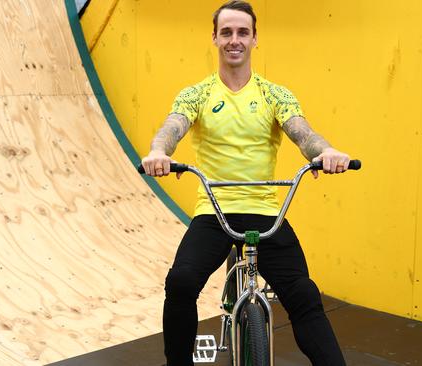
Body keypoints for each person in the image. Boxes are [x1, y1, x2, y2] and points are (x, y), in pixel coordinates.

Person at [141, 1, 350, 364]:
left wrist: (327, 151)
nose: (234, 40)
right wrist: (158, 153)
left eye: (242, 32)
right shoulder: (197, 94)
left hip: (266, 212)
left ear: (254, 39)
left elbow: (304, 135)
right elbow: (171, 129)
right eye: (226, 32)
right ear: (214, 38)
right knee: (181, 283)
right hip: (215, 212)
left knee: (303, 294)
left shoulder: (274, 95)